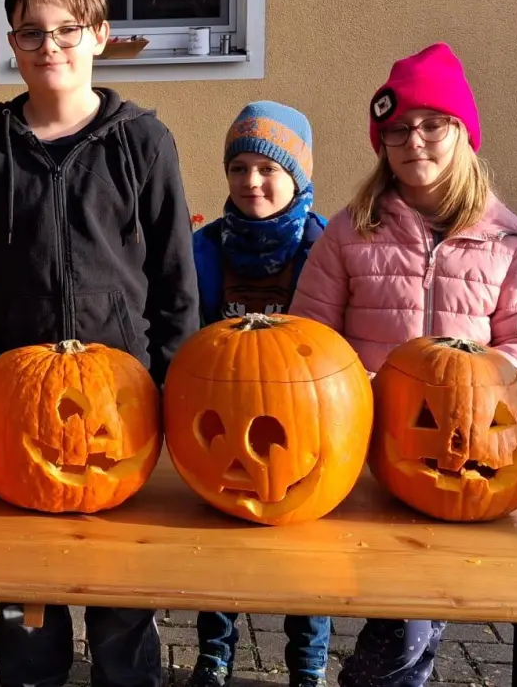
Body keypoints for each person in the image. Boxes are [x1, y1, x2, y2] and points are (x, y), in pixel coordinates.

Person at [0, 0, 199, 687]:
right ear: (12, 43)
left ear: (99, 35)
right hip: (10, 408)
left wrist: (175, 385)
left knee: (120, 595)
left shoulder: (141, 142)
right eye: (31, 32)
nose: (49, 46)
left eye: (66, 29)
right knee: (25, 596)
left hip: (118, 405)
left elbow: (173, 280)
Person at [290, 42, 517, 687]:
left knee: (419, 599)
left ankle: (384, 676)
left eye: (432, 125)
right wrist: (357, 387)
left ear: (462, 133)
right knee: (381, 581)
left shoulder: (503, 240)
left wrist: (479, 386)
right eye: (398, 130)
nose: (414, 142)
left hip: (466, 449)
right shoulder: (353, 230)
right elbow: (311, 333)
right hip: (371, 436)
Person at [186, 101, 331, 687]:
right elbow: (188, 331)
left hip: (305, 423)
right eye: (239, 168)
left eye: (269, 170)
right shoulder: (205, 247)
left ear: (296, 176)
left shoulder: (320, 248)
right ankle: (214, 652)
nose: (252, 182)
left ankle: (308, 661)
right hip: (220, 419)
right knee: (221, 543)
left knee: (305, 548)